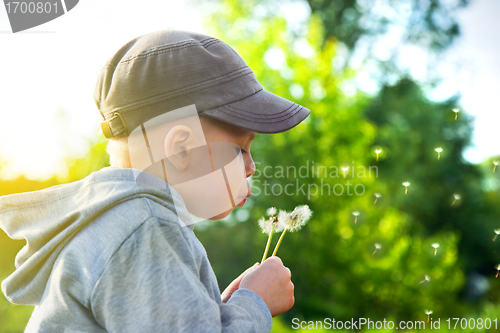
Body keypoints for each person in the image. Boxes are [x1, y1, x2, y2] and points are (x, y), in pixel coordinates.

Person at [0, 30, 310, 332]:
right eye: (240, 148)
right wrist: (254, 305)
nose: (251, 167)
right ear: (181, 148)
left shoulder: (116, 223)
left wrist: (220, 311)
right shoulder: (144, 229)